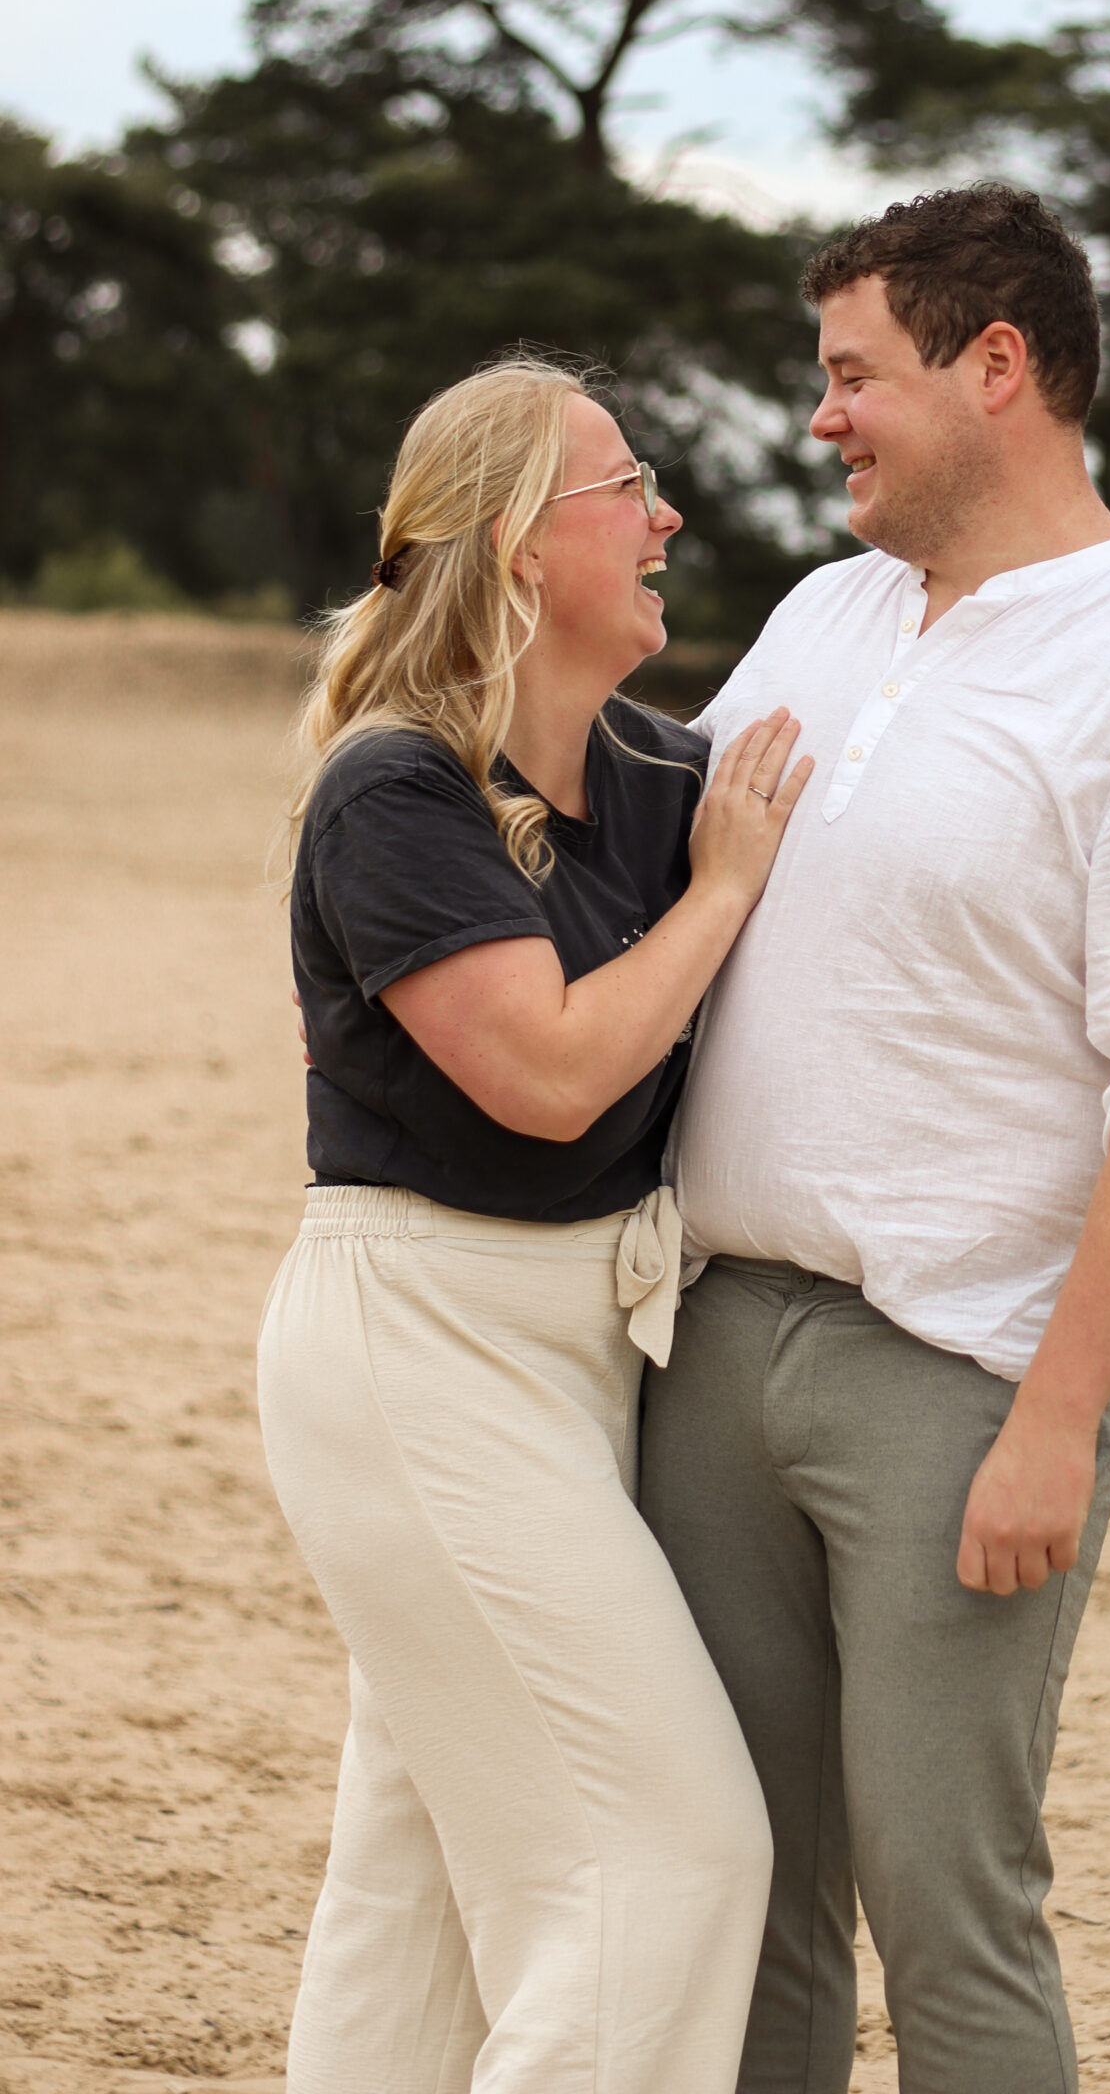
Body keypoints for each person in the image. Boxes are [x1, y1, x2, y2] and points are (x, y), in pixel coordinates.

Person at [640, 184, 1110, 2094]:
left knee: (950, 1910)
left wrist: (1052, 1418)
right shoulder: (823, 615)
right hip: (714, 1347)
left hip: (960, 1384)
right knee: (742, 1898)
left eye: (855, 375)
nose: (822, 417)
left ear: (996, 365)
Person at [259, 356, 812, 2094]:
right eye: (626, 487)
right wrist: (727, 894)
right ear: (514, 545)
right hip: (421, 1347)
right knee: (674, 1860)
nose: (667, 517)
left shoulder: (658, 775)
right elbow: (552, 1080)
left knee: (413, 1888)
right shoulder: (396, 789)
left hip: (578, 1349)